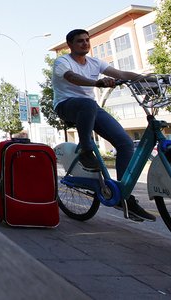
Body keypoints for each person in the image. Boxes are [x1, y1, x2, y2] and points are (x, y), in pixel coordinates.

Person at [52, 29, 156, 222]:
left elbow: (121, 73)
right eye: (79, 41)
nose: (84, 44)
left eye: (86, 40)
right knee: (88, 104)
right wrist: (96, 83)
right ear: (70, 45)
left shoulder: (94, 62)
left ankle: (124, 195)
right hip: (66, 105)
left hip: (89, 108)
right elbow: (71, 77)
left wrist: (148, 79)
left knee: (125, 144)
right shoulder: (62, 62)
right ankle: (85, 148)